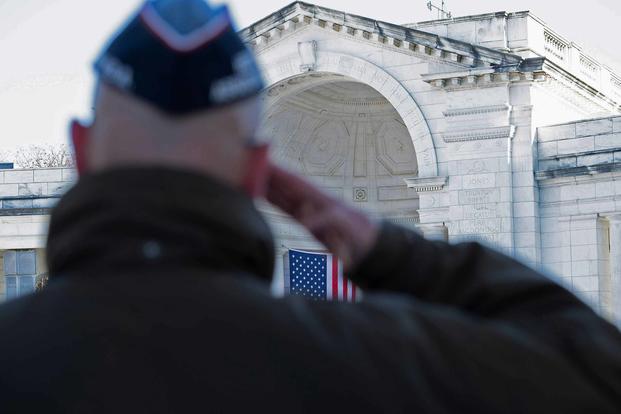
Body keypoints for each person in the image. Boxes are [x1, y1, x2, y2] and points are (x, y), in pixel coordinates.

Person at [0, 0, 620, 412]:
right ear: (257, 168)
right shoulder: (380, 363)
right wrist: (392, 250)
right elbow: (596, 371)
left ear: (80, 148)